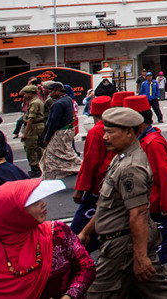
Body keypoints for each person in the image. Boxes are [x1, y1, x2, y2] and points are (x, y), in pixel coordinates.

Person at [79, 107, 167, 298]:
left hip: (123, 245)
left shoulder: (130, 168)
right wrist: (87, 231)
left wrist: (140, 257)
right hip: (122, 242)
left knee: (99, 294)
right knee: (156, 291)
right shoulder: (121, 157)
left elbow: (138, 213)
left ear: (129, 132)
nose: (105, 138)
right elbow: (109, 206)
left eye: (110, 133)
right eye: (105, 132)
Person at [0, 179, 95, 299]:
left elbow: (86, 267)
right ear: (12, 213)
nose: (43, 203)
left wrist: (69, 296)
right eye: (34, 202)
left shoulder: (57, 233)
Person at [124, 95, 167, 292]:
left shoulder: (152, 142)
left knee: (165, 236)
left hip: (154, 200)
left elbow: (164, 174)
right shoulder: (143, 140)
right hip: (146, 199)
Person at [71, 95, 113, 247]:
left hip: (98, 185)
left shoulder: (96, 131)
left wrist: (80, 189)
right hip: (112, 180)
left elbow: (90, 162)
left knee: (79, 230)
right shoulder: (118, 126)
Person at [39, 82, 83, 180]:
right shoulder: (67, 99)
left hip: (61, 131)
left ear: (57, 90)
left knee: (53, 153)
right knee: (65, 151)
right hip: (68, 130)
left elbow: (54, 121)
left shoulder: (59, 103)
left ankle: (78, 167)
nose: (50, 94)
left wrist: (47, 137)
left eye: (51, 92)